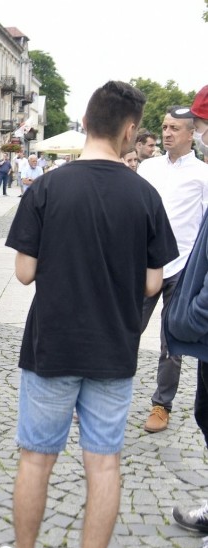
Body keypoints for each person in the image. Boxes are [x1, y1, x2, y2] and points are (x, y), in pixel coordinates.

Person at [0, 81, 178, 548]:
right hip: (113, 348)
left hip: (52, 344)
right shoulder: (144, 194)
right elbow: (152, 282)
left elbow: (25, 272)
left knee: (36, 458)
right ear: (128, 129)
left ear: (86, 122)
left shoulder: (48, 187)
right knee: (104, 465)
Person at [138, 105, 208, 433]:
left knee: (171, 340)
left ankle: (160, 405)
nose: (166, 133)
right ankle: (104, 392)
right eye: (164, 127)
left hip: (182, 268)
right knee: (125, 328)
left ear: (191, 132)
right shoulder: (148, 168)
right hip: (147, 263)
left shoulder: (203, 174)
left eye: (174, 128)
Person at [164, 85, 208, 548]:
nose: (195, 132)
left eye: (198, 123)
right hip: (169, 270)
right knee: (206, 412)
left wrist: (194, 311)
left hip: (193, 295)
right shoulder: (159, 170)